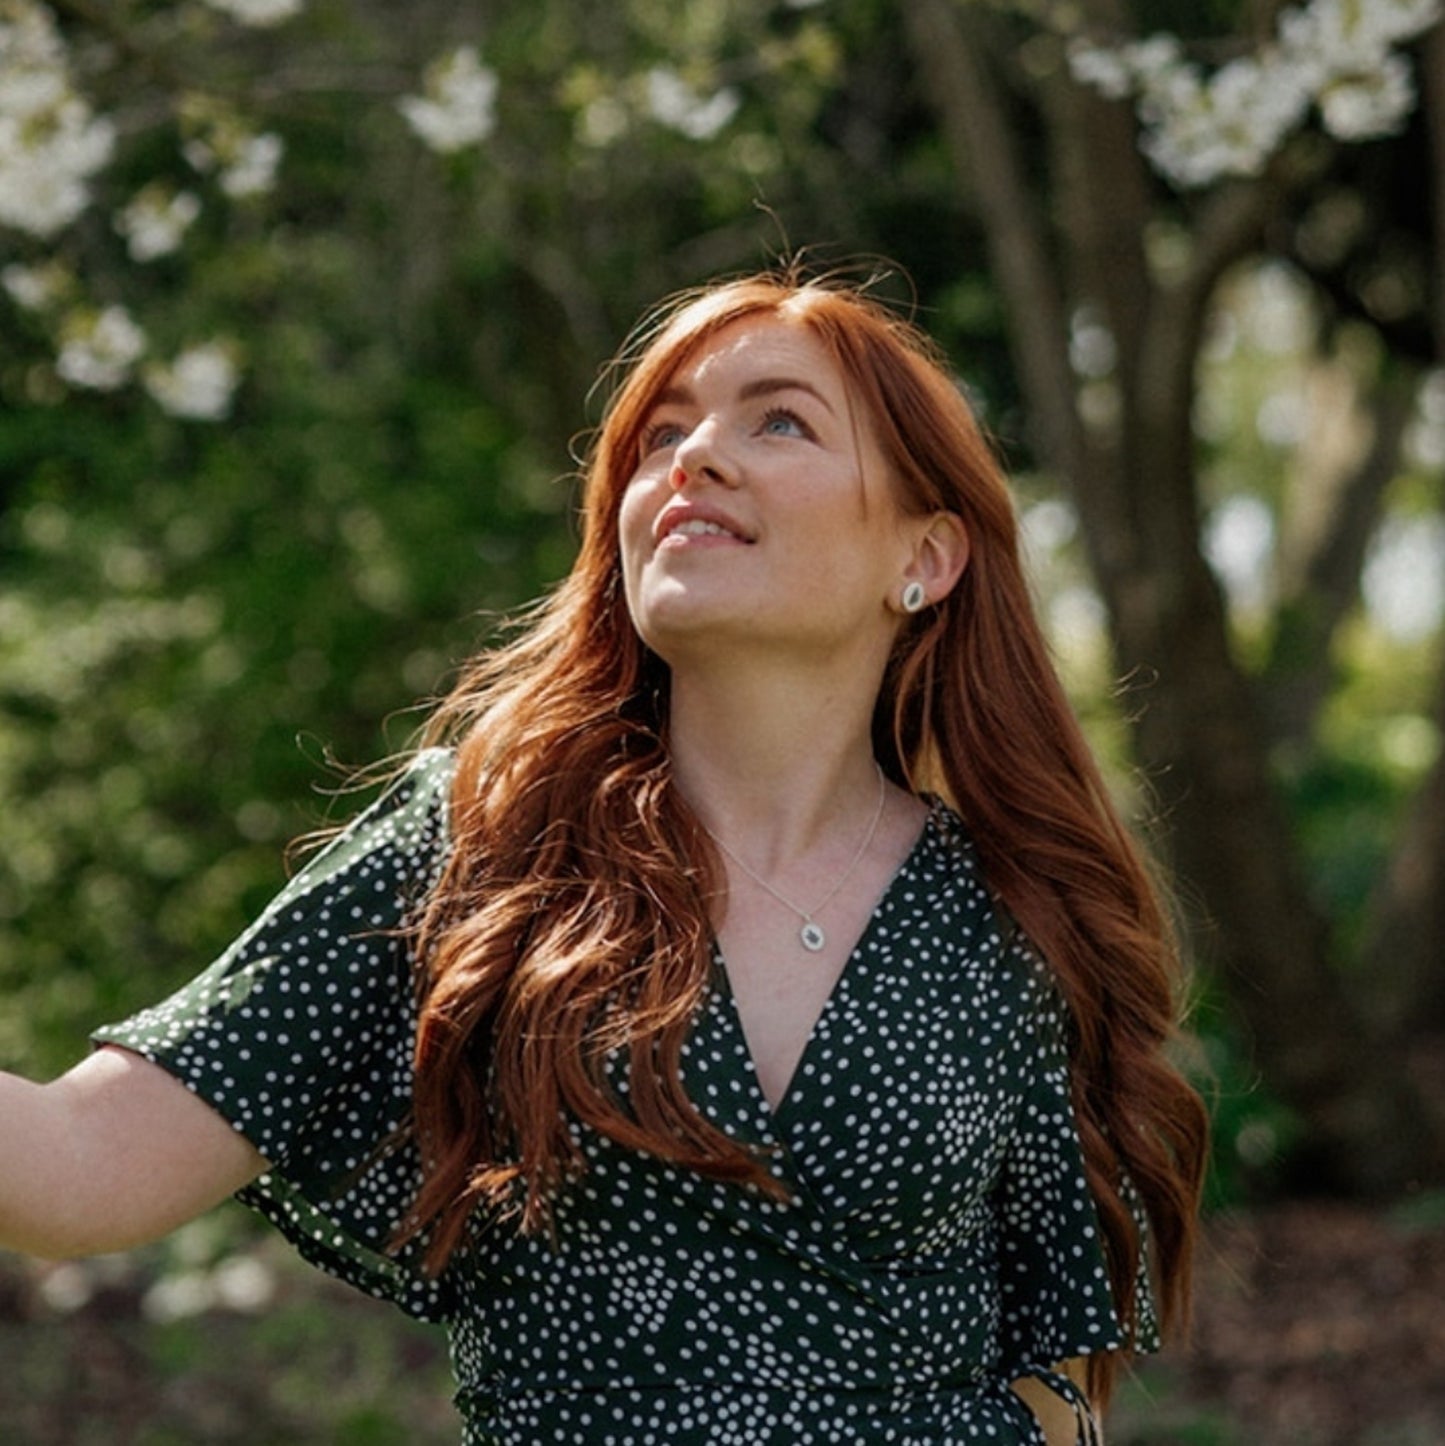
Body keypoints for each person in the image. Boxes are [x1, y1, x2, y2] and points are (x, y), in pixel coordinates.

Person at [0, 269, 1208, 1445]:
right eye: (659, 435)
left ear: (925, 557)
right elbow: (75, 1171)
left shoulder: (1011, 910)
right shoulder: (483, 845)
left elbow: (1054, 1381)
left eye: (779, 420)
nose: (691, 458)